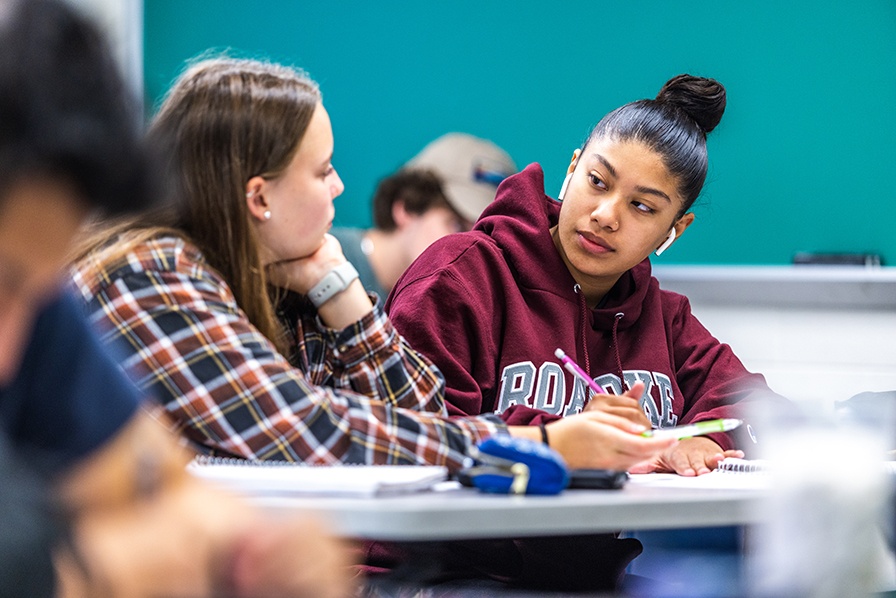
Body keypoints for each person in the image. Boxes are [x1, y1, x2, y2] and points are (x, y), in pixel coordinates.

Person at [71, 56, 676, 477]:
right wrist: (540, 444)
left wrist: (342, 294)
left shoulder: (286, 277)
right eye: (322, 170)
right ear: (258, 197)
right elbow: (307, 433)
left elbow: (422, 417)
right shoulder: (149, 277)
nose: (338, 187)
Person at [0, 1, 352, 596]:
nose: (12, 347)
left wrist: (258, 549)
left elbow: (160, 478)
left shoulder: (37, 307)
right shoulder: (145, 272)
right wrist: (100, 570)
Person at [331, 133, 516, 299]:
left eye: (485, 239)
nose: (471, 251)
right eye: (457, 226)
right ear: (407, 208)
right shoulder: (318, 264)